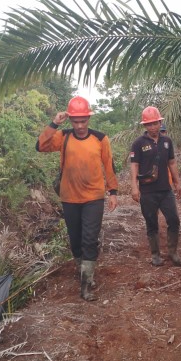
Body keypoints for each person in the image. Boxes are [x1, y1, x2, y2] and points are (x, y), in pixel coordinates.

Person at [37, 96, 119, 301]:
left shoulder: (100, 138)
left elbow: (109, 165)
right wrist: (54, 123)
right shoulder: (63, 136)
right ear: (70, 119)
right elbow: (40, 146)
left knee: (90, 239)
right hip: (69, 197)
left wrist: (113, 192)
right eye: (76, 121)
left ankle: (86, 284)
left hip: (94, 198)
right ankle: (82, 269)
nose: (80, 126)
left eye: (83, 121)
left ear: (89, 118)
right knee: (75, 240)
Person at [130, 106, 181, 266]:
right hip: (147, 192)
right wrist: (134, 187)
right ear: (145, 126)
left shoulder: (167, 141)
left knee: (174, 220)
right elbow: (134, 165)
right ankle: (155, 255)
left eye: (155, 123)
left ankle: (173, 252)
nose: (153, 127)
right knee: (151, 222)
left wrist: (177, 182)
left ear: (160, 123)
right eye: (149, 124)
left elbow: (172, 162)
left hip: (166, 190)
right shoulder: (138, 143)